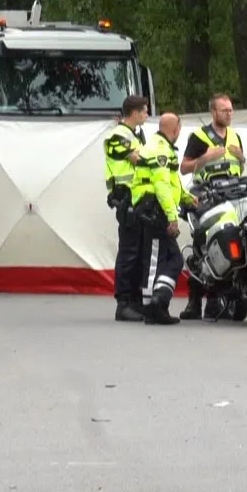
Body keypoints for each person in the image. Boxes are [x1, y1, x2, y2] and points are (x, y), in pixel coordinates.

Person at [178, 92, 246, 320]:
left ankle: (235, 291)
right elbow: (185, 168)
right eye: (225, 110)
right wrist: (204, 159)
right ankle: (196, 300)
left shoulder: (235, 135)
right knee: (203, 241)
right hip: (207, 193)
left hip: (234, 191)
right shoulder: (199, 137)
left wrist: (242, 158)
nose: (229, 113)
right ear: (213, 112)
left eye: (231, 110)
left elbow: (239, 165)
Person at [131, 112, 195, 325]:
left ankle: (158, 302)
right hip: (155, 209)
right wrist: (172, 217)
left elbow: (172, 182)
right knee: (156, 260)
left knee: (171, 259)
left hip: (153, 208)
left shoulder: (161, 147)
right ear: (175, 129)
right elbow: (161, 186)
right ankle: (153, 306)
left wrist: (187, 198)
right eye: (180, 129)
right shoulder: (160, 150)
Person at [105, 96, 151, 322]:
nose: (147, 115)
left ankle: (135, 301)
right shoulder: (118, 136)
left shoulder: (135, 135)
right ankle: (123, 304)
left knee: (139, 252)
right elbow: (139, 160)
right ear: (133, 112)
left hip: (139, 198)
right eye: (144, 111)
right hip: (126, 199)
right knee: (128, 253)